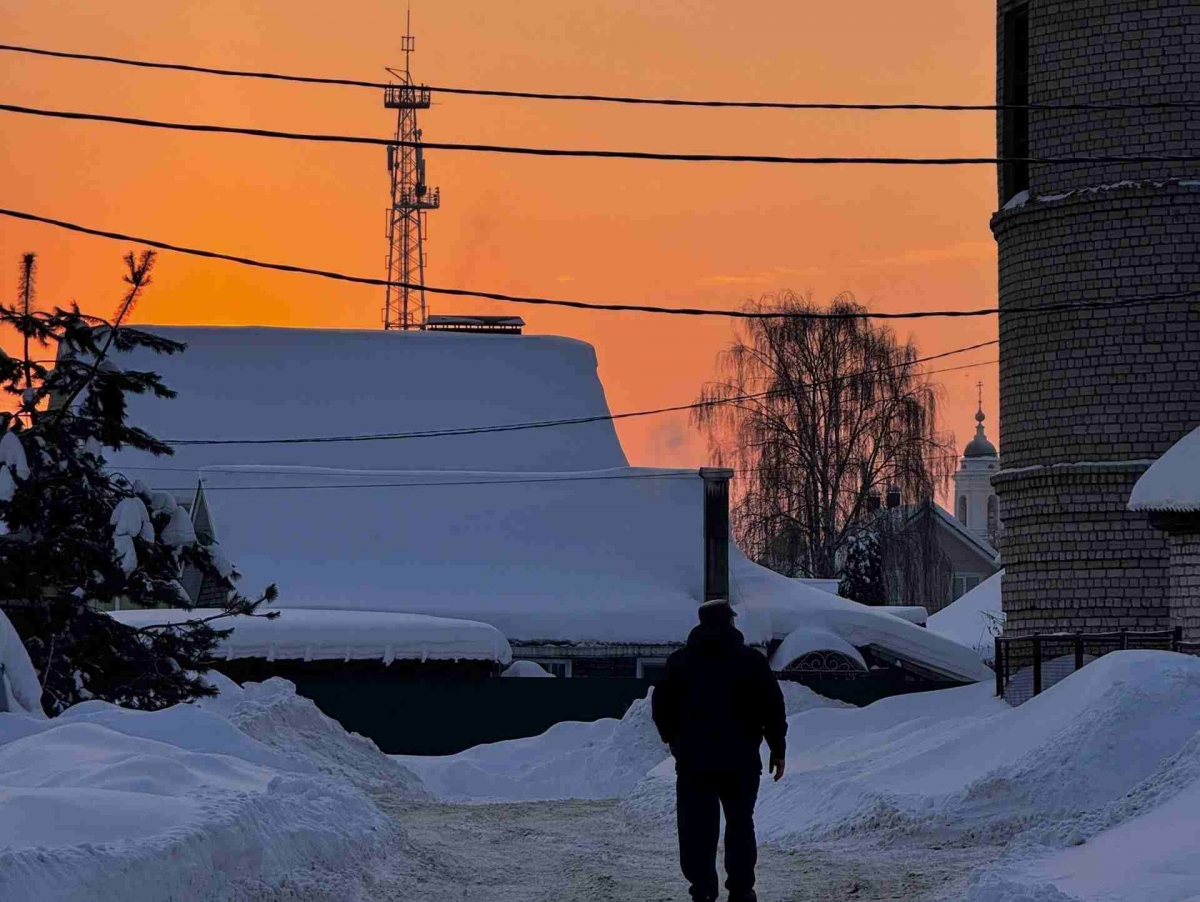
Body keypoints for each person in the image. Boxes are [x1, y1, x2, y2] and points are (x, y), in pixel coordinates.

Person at [651, 598, 787, 902]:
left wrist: (674, 741)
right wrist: (777, 749)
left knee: (697, 829)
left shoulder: (680, 661)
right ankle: (741, 891)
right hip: (741, 761)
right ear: (729, 623)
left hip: (694, 763)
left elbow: (661, 706)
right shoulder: (750, 661)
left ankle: (702, 891)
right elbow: (773, 707)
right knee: (740, 823)